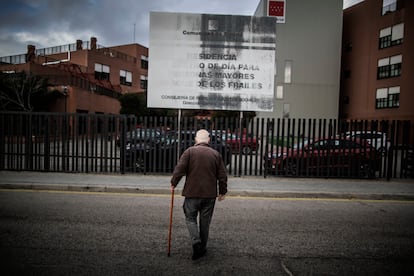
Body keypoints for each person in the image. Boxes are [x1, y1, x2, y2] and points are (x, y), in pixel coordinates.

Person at [170, 129, 228, 260]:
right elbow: (222, 176)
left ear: (196, 139)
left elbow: (179, 170)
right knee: (205, 222)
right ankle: (202, 248)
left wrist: (174, 182)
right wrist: (222, 191)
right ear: (208, 140)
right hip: (209, 195)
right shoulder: (216, 154)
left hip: (192, 193)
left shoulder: (189, 152)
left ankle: (196, 243)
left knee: (190, 218)